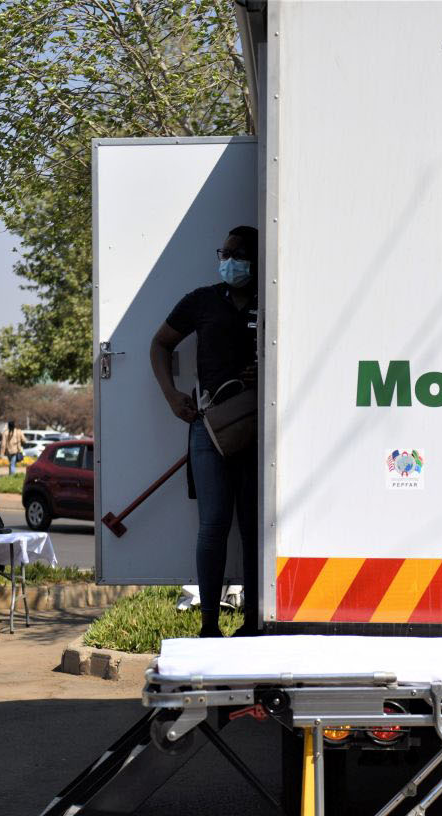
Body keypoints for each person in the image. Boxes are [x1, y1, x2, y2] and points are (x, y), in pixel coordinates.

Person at [149, 224, 262, 638]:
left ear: (256, 257)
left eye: (237, 253)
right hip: (210, 427)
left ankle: (253, 622)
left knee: (253, 527)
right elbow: (159, 344)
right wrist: (171, 395)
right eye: (223, 252)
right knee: (213, 525)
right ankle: (209, 625)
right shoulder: (201, 301)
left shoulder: (272, 298)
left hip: (258, 427)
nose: (227, 260)